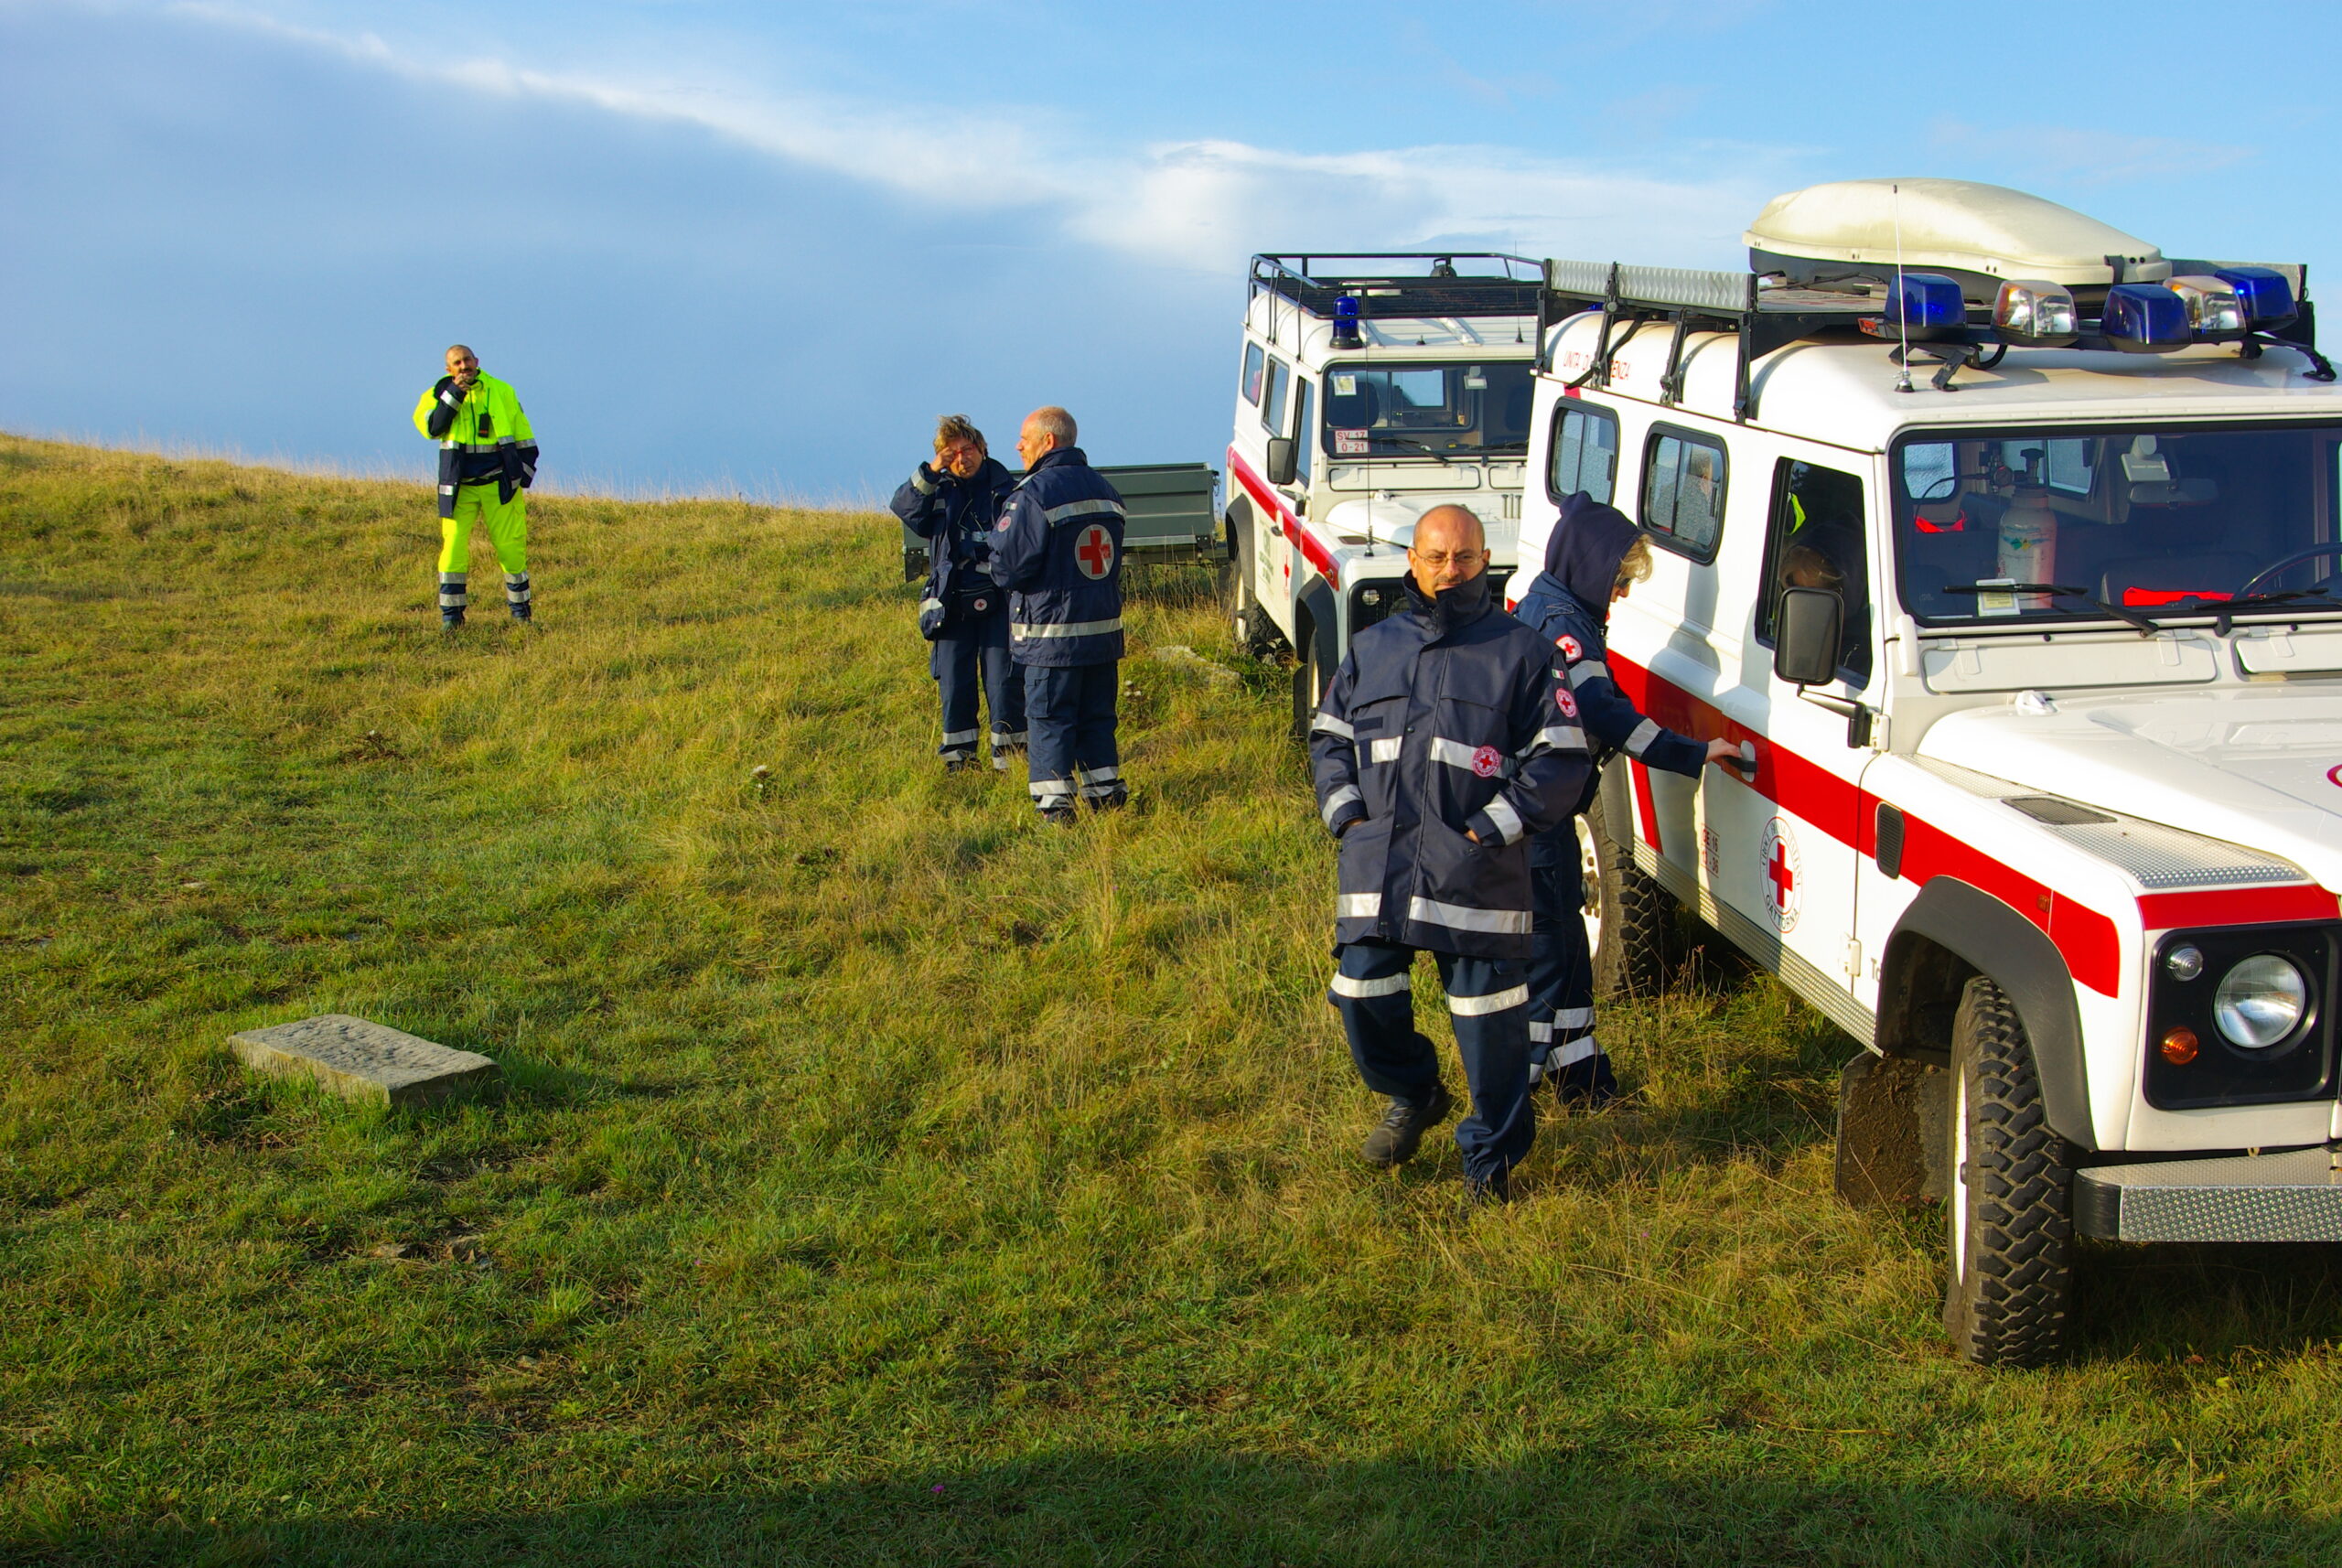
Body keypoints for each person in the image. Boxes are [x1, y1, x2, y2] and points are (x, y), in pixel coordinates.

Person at [1308, 504, 1591, 1204]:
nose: (1449, 572)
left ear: (1484, 561)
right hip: (1380, 870)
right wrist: (1348, 818)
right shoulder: (1374, 647)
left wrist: (1493, 827)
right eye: (1435, 558)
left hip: (1477, 874)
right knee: (1360, 995)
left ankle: (1489, 1165)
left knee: (1492, 1030)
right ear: (1413, 561)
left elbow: (1563, 759)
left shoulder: (1524, 652)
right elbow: (1329, 737)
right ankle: (1414, 1093)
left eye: (1463, 558)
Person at [1510, 492, 1737, 1105]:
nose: (1624, 592)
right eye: (1619, 579)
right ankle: (1511, 1098)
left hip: (1543, 812)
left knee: (1568, 960)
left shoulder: (1549, 606)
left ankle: (1582, 1083)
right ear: (1588, 566)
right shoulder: (1566, 631)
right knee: (1551, 957)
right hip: (1541, 817)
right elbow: (1605, 714)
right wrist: (1692, 753)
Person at [991, 406, 1127, 824]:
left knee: (1050, 721)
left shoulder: (1032, 494)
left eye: (1024, 438)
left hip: (1051, 639)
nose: (1018, 446)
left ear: (1048, 441)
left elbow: (1007, 566)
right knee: (1098, 720)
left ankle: (1056, 813)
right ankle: (1107, 802)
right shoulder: (1106, 490)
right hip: (1102, 636)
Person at [890, 415, 1025, 772]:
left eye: (967, 450)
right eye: (952, 454)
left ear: (982, 449)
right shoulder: (939, 491)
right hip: (950, 602)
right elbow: (905, 508)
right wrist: (933, 470)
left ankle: (1010, 761)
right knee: (954, 683)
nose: (962, 458)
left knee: (1004, 680)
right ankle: (959, 764)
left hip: (1000, 600)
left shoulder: (1010, 490)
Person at [412, 345, 539, 628]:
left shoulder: (502, 391)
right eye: (456, 363)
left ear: (477, 361)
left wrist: (521, 477)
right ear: (449, 370)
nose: (463, 366)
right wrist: (454, 394)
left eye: (467, 360)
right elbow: (433, 428)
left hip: (499, 486)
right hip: (460, 489)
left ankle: (521, 616)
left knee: (511, 550)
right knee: (453, 550)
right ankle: (452, 620)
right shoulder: (436, 394)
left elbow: (525, 438)